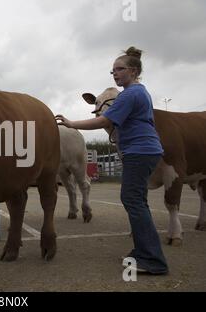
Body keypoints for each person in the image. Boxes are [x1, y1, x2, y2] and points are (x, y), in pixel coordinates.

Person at [56, 47, 169, 275]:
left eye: (120, 69)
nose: (115, 74)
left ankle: (153, 259)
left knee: (132, 200)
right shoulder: (138, 92)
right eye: (113, 71)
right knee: (137, 200)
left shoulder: (130, 94)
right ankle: (142, 252)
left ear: (134, 71)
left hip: (140, 151)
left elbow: (103, 121)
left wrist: (70, 124)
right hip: (144, 150)